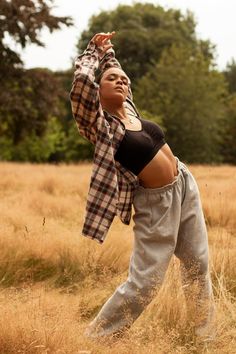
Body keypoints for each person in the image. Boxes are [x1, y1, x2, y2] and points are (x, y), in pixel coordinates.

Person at [70, 31, 215, 341]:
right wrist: (94, 51)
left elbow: (115, 69)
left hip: (184, 184)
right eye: (112, 80)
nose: (122, 82)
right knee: (146, 282)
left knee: (197, 264)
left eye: (125, 79)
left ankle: (205, 337)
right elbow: (82, 82)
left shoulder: (131, 110)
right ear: (98, 92)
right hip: (156, 203)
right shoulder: (101, 125)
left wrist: (109, 55)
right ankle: (95, 340)